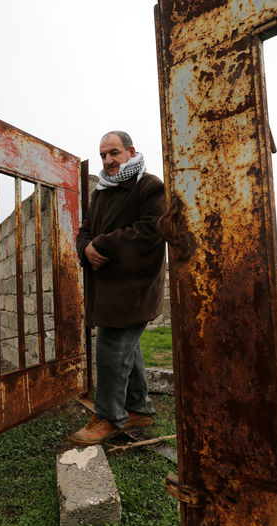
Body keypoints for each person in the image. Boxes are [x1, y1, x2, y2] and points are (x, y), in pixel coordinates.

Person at [69, 131, 166, 445]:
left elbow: (151, 230)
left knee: (112, 352)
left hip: (133, 288)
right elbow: (85, 229)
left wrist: (102, 245)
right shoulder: (103, 190)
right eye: (103, 155)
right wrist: (86, 248)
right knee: (127, 348)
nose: (108, 160)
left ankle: (109, 417)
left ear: (130, 151)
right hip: (108, 287)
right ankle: (139, 408)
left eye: (113, 152)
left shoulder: (148, 186)